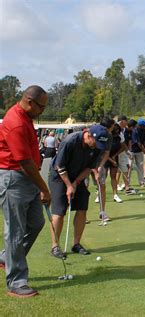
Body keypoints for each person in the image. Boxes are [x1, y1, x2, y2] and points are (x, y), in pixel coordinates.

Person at [0, 86, 51, 298]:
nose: (42, 111)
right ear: (29, 101)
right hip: (14, 178)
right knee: (15, 231)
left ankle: (6, 258)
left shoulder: (26, 117)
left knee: (36, 223)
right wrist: (44, 188)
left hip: (27, 178)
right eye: (41, 106)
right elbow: (24, 162)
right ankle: (16, 282)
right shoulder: (16, 123)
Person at [49, 124, 107, 259]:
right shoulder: (70, 141)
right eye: (96, 142)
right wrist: (69, 185)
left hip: (78, 176)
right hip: (59, 176)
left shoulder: (97, 146)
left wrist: (75, 183)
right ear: (88, 135)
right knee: (59, 212)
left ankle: (76, 244)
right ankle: (55, 246)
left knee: (82, 208)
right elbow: (60, 166)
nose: (97, 146)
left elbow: (89, 167)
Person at [105, 123, 125, 203]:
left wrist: (115, 156)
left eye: (118, 130)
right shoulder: (106, 137)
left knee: (113, 177)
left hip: (114, 158)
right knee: (103, 177)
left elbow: (123, 147)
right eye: (116, 130)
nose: (117, 131)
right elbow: (103, 152)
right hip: (105, 159)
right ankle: (98, 195)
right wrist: (111, 160)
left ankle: (115, 195)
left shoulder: (117, 137)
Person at [130, 118, 145, 186]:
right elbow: (138, 143)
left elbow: (144, 140)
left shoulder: (144, 130)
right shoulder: (135, 131)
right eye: (144, 125)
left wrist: (144, 149)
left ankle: (141, 181)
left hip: (140, 151)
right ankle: (127, 183)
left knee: (140, 166)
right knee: (130, 167)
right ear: (140, 125)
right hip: (132, 150)